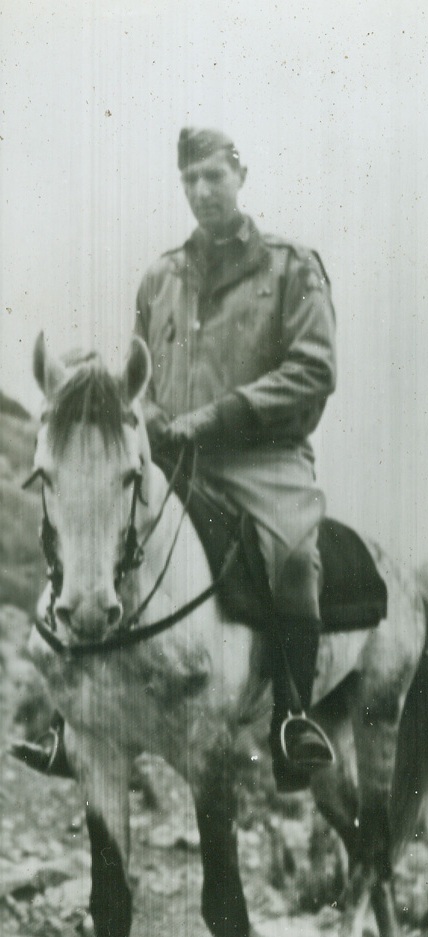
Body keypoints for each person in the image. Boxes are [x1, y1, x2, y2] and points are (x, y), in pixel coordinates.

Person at [13, 126, 337, 791]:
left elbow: (313, 370)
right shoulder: (161, 277)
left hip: (261, 459)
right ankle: (71, 721)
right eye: (189, 179)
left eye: (214, 176)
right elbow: (140, 378)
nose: (201, 191)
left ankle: (292, 721)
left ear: (240, 174)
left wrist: (216, 418)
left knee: (294, 558)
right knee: (94, 534)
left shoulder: (292, 267)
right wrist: (144, 417)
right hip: (174, 452)